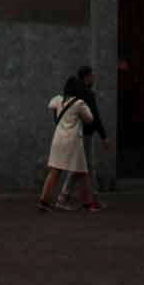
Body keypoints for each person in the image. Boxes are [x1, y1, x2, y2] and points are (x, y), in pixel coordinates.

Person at [38, 74, 100, 211]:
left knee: (54, 171)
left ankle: (43, 202)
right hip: (73, 142)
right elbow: (90, 119)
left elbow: (53, 110)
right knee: (83, 173)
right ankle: (89, 204)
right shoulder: (79, 103)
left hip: (58, 140)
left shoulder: (58, 100)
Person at [54, 65, 107, 209]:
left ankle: (73, 198)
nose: (93, 78)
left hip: (75, 134)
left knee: (81, 167)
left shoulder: (72, 94)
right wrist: (104, 136)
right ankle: (85, 199)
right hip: (85, 135)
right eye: (92, 76)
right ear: (87, 77)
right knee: (85, 167)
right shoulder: (87, 94)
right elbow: (94, 117)